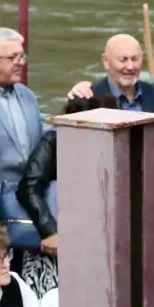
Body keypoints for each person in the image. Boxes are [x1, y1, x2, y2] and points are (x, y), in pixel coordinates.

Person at [17, 95, 121, 296]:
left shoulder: (116, 142)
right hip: (55, 240)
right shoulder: (55, 139)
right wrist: (50, 231)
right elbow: (28, 187)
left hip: (96, 240)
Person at [0, 27, 50, 274]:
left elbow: (41, 145)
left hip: (35, 203)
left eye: (22, 57)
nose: (20, 63)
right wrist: (4, 202)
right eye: (13, 58)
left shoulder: (26, 95)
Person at [91, 33, 154, 117]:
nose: (130, 67)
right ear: (106, 61)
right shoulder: (90, 100)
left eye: (134, 59)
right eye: (123, 60)